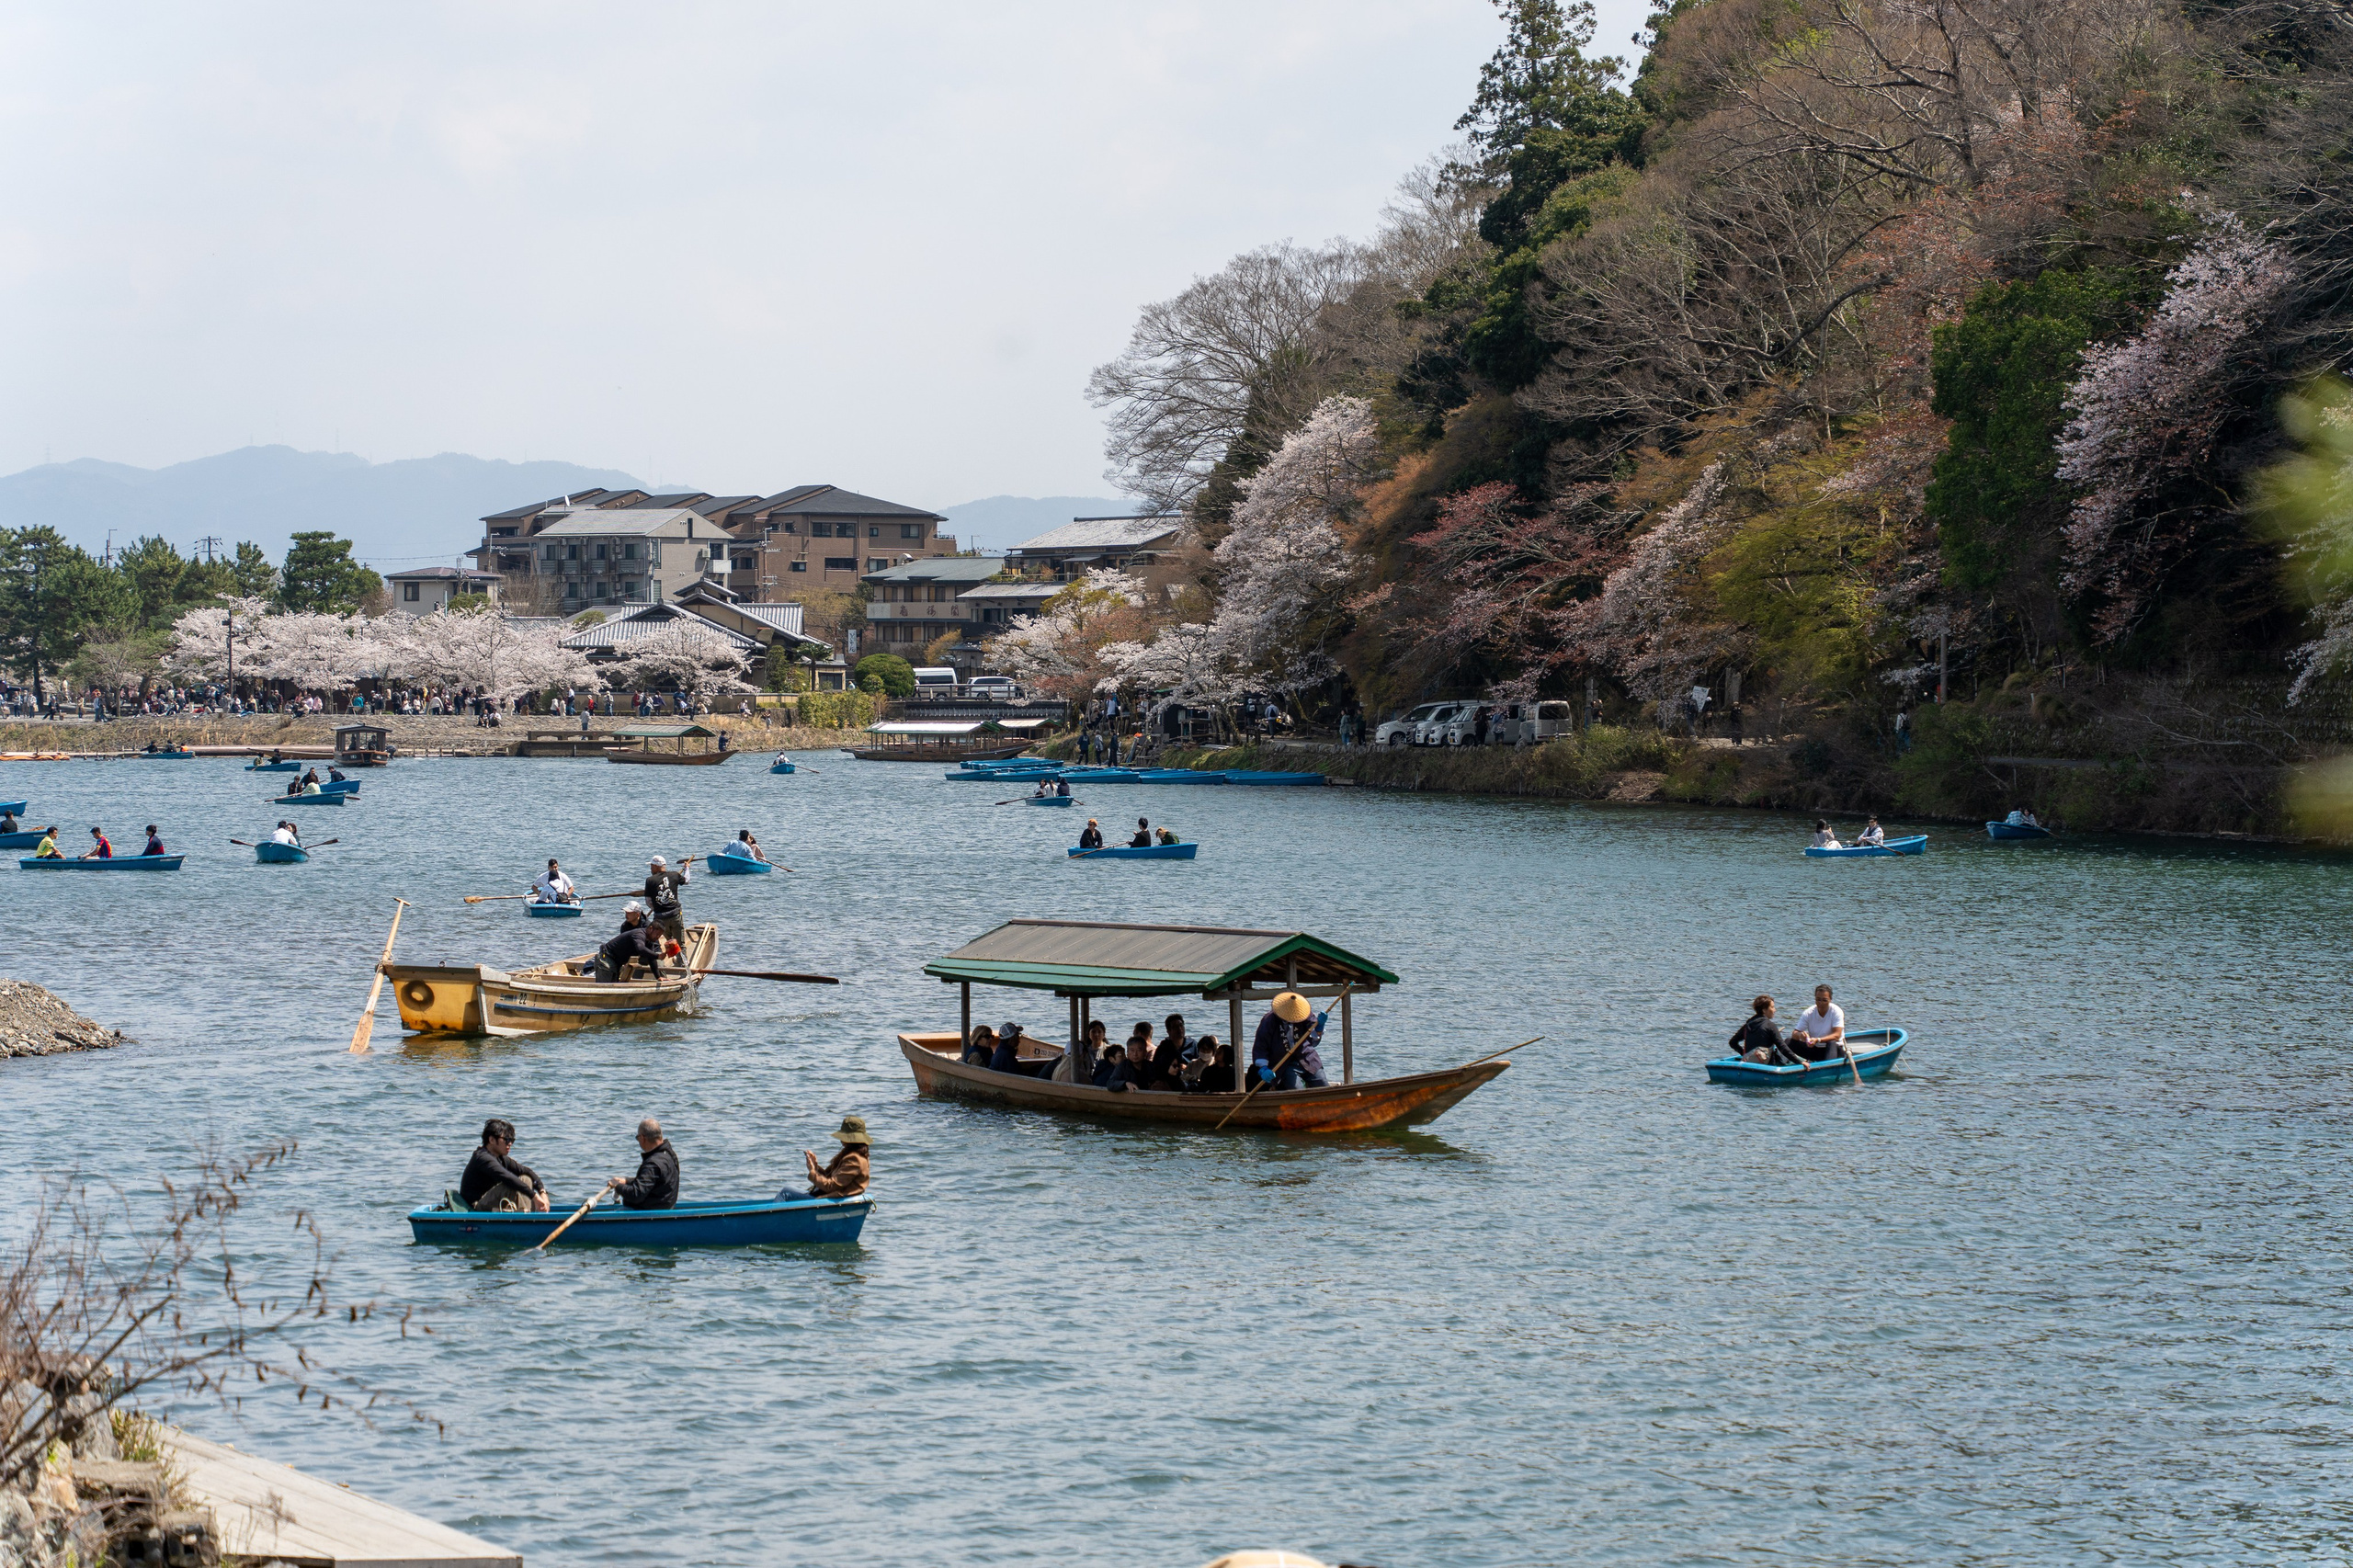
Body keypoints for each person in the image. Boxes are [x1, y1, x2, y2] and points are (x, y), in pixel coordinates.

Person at [460, 1118, 550, 1212]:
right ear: (492, 1140)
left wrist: (542, 1192)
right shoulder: (482, 1158)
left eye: (512, 1140)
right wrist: (534, 1196)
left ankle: (530, 1214)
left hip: (491, 1202)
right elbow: (506, 1177)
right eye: (506, 1140)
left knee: (526, 1178)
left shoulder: (501, 1158)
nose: (510, 1144)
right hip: (476, 1207)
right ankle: (526, 1218)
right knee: (511, 1184)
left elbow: (527, 1171)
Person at [1251, 991, 1329, 1091]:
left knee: (1322, 1084)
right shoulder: (1269, 1020)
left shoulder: (1304, 1014)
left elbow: (1314, 1036)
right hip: (1284, 1064)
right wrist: (1263, 1068)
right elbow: (1261, 1046)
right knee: (1296, 1089)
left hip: (1307, 1057)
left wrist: (1319, 1027)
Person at [606, 1118, 678, 1210]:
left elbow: (636, 1195)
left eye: (637, 1138)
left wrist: (617, 1186)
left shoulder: (653, 1164)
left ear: (642, 1138)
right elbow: (653, 1182)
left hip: (649, 1213)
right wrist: (626, 1181)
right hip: (664, 1208)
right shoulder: (669, 1155)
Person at [595, 903, 668, 983]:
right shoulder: (639, 934)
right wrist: (658, 956)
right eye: (657, 934)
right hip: (607, 958)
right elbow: (640, 949)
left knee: (612, 986)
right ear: (650, 929)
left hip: (616, 962)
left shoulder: (649, 940)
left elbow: (651, 959)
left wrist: (658, 977)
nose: (658, 937)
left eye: (659, 935)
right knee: (606, 987)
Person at [802, 1116, 870, 1198]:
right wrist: (815, 1167)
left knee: (786, 1192)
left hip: (829, 1200)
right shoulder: (853, 1155)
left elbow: (830, 1186)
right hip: (828, 1196)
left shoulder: (854, 1159)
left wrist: (812, 1172)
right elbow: (828, 1177)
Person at [1788, 984, 1847, 1062]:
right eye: (1818, 999)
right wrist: (1801, 1035)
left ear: (1830, 1000)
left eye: (1824, 1000)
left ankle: (1828, 1068)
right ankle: (1797, 1065)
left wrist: (1818, 1040)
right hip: (1815, 1049)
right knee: (1788, 1041)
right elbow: (1795, 1033)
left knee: (1831, 1042)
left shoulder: (1836, 1011)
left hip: (1833, 1050)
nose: (1821, 1003)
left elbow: (1837, 1035)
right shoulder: (1809, 1012)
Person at [642, 854, 690, 943]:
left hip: (660, 918)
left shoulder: (650, 880)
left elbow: (648, 901)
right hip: (675, 915)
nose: (651, 869)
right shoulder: (674, 875)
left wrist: (655, 907)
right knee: (680, 944)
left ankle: (669, 952)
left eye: (652, 866)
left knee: (667, 941)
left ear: (656, 866)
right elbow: (686, 880)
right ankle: (680, 955)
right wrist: (687, 868)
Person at [1727, 996, 1790, 1064]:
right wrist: (1800, 1062)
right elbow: (1783, 1047)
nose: (1775, 1010)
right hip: (1767, 1063)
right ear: (1764, 1010)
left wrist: (1743, 1053)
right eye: (1772, 1007)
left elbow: (1732, 1042)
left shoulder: (1748, 1025)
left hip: (1749, 1061)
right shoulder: (1770, 1026)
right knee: (1789, 1041)